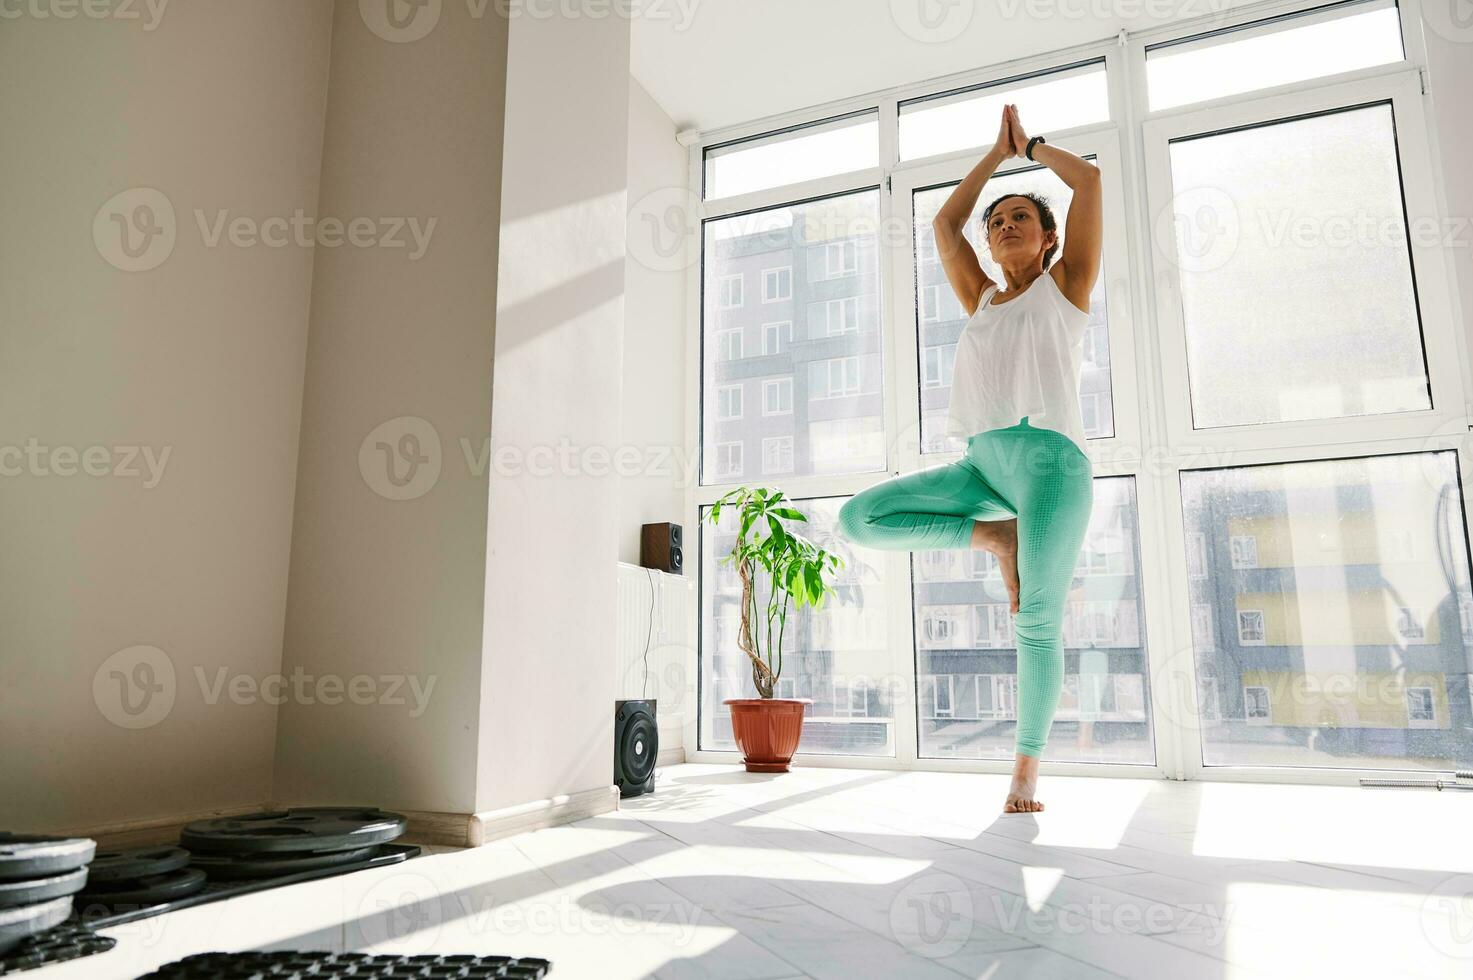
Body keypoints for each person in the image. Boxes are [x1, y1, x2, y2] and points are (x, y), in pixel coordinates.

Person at [837, 104, 1101, 813]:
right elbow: (941, 226)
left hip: (1051, 469)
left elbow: (1091, 186)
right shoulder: (978, 298)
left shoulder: (1065, 286)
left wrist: (1033, 149)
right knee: (861, 518)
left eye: (1019, 217)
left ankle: (1024, 770)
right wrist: (993, 156)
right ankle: (992, 535)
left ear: (1047, 238)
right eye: (996, 221)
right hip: (982, 467)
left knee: (1035, 619)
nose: (1003, 224)